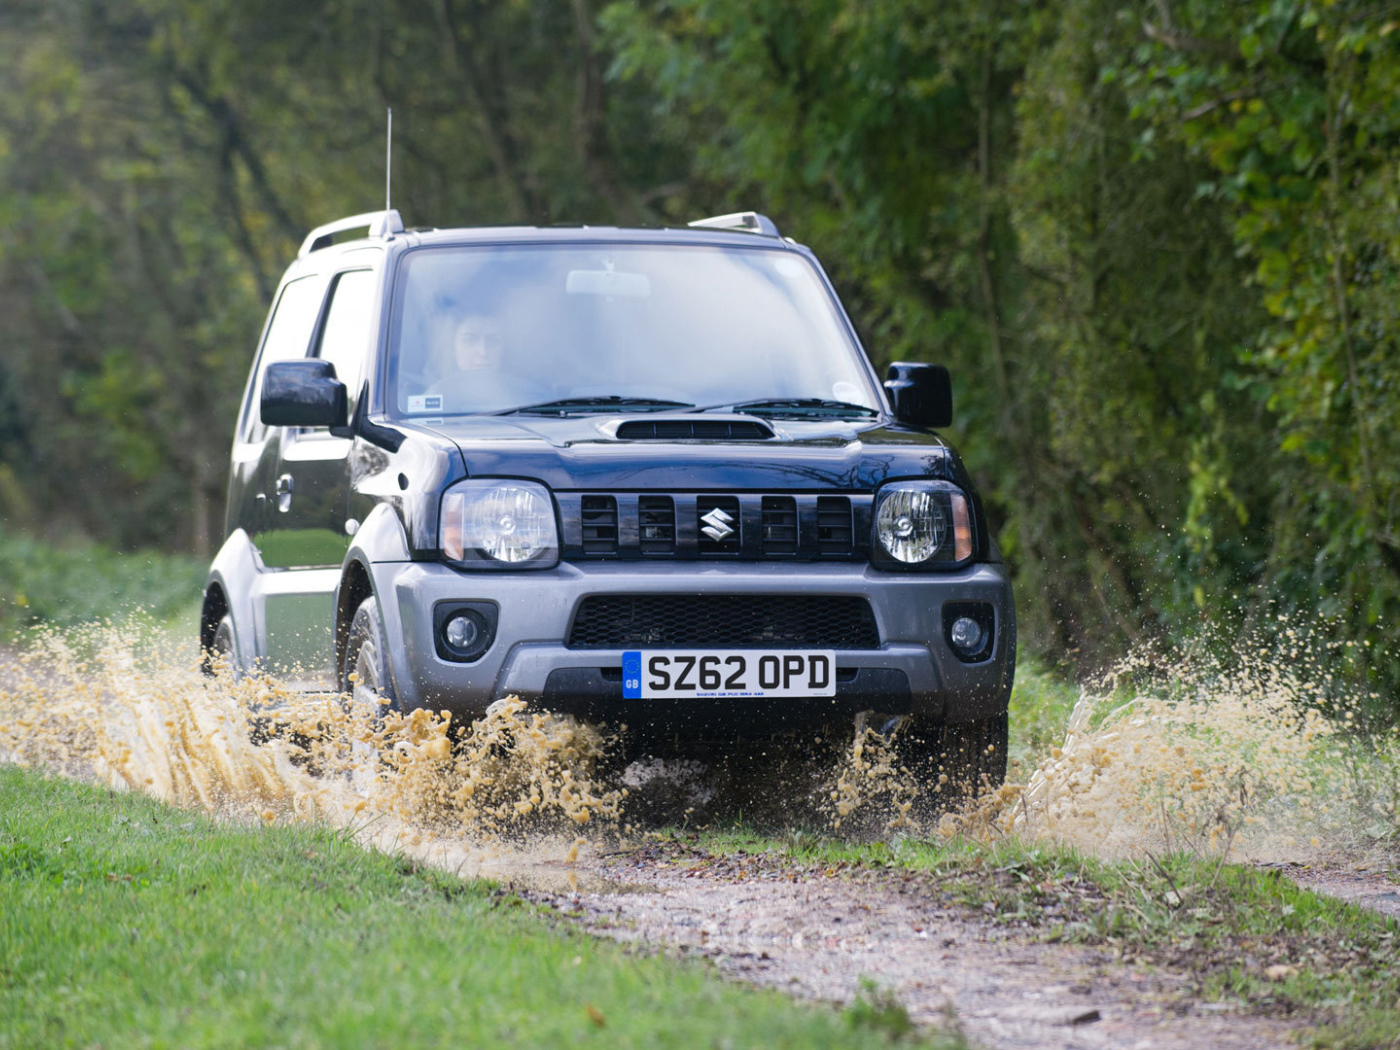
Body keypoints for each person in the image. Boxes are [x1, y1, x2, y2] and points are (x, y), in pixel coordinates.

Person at [426, 310, 541, 411]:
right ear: (452, 347)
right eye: (470, 340)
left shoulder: (530, 396)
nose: (483, 352)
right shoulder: (433, 397)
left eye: (493, 340)